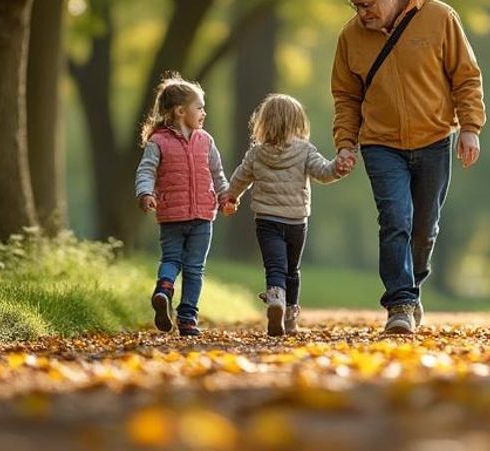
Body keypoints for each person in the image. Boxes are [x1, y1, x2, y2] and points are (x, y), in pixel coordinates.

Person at [331, 0, 486, 334]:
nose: (362, 13)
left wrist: (470, 126)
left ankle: (412, 289)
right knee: (395, 219)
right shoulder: (350, 37)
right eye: (355, 6)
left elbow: (465, 76)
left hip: (434, 139)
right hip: (380, 143)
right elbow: (346, 97)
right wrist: (345, 142)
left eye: (367, 4)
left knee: (424, 227)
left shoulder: (440, 18)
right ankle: (399, 304)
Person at [222, 94, 347, 336]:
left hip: (266, 219)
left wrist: (230, 197)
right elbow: (324, 172)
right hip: (296, 221)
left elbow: (240, 178)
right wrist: (338, 168)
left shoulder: (256, 153)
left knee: (275, 267)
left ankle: (275, 300)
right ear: (297, 123)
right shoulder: (305, 151)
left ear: (264, 122)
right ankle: (290, 317)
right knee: (292, 269)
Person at [134, 72, 229, 337]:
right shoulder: (158, 142)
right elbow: (146, 171)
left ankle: (165, 291)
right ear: (179, 111)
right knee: (191, 267)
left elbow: (217, 173)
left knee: (177, 261)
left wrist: (226, 197)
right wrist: (145, 192)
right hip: (175, 217)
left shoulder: (206, 141)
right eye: (199, 107)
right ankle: (184, 315)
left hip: (202, 215)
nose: (204, 113)